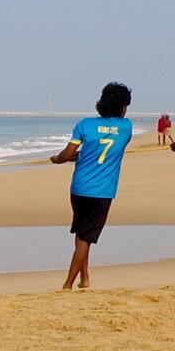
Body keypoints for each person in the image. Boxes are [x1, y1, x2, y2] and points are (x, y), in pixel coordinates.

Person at [50, 82, 133, 291]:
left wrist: (57, 159)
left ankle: (84, 277)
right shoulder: (126, 127)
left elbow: (68, 154)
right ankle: (68, 284)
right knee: (85, 237)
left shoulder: (85, 125)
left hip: (79, 188)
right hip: (102, 191)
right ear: (122, 106)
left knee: (81, 233)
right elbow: (110, 149)